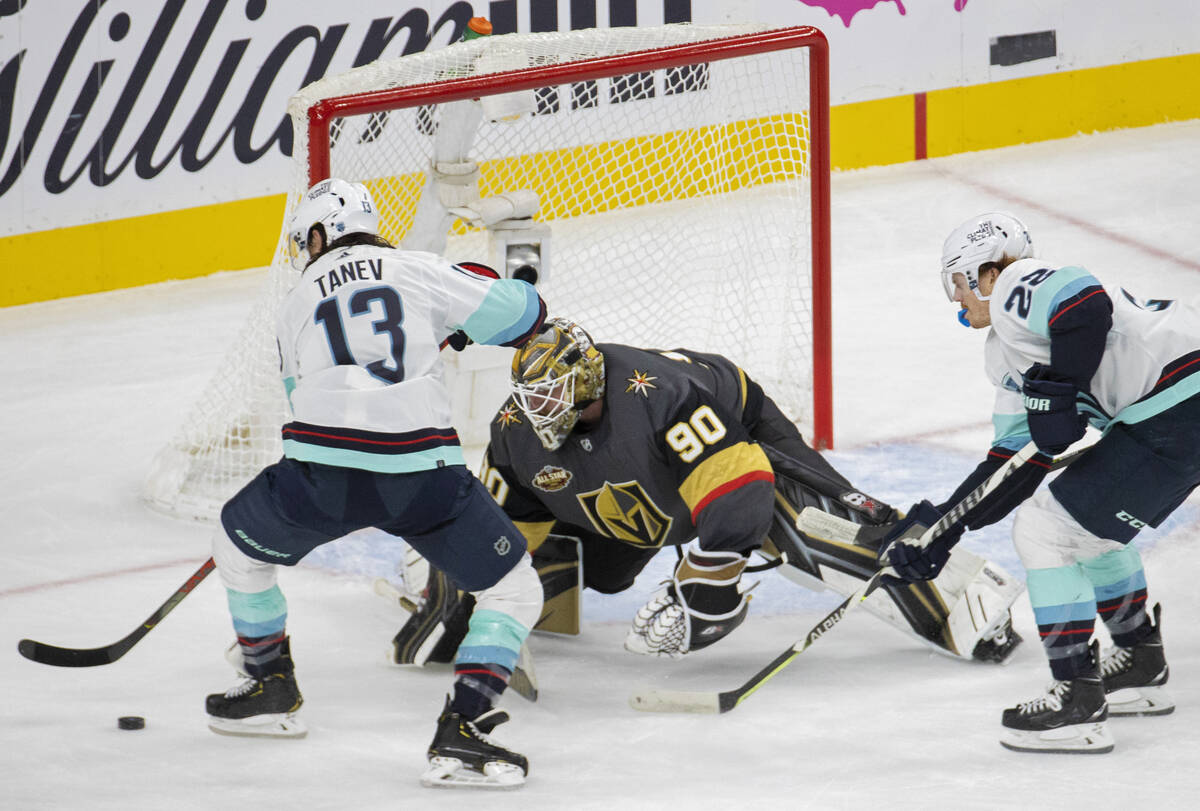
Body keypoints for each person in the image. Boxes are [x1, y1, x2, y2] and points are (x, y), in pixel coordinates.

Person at [391, 317, 1024, 667]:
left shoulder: (658, 397)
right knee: (606, 569)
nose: (539, 410)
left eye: (551, 395)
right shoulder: (516, 434)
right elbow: (493, 525)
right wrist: (458, 593)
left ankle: (962, 602)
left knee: (807, 526)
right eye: (531, 398)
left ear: (585, 382)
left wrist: (707, 579)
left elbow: (741, 492)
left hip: (736, 419)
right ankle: (557, 581)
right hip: (644, 479)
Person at [205, 178, 547, 789]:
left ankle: (268, 683)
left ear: (317, 236)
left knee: (237, 546)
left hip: (322, 477)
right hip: (424, 474)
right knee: (514, 590)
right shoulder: (417, 269)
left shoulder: (293, 303)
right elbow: (527, 315)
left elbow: (297, 400)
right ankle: (462, 731)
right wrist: (474, 304)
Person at [880, 212, 1196, 754]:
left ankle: (1075, 700)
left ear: (983, 270)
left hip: (1178, 402)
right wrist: (944, 530)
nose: (958, 299)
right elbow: (1012, 463)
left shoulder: (1015, 283)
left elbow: (1084, 304)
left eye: (958, 282)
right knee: (1081, 528)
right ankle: (1140, 660)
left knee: (1047, 533)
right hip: (1170, 413)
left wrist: (1059, 388)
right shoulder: (1008, 351)